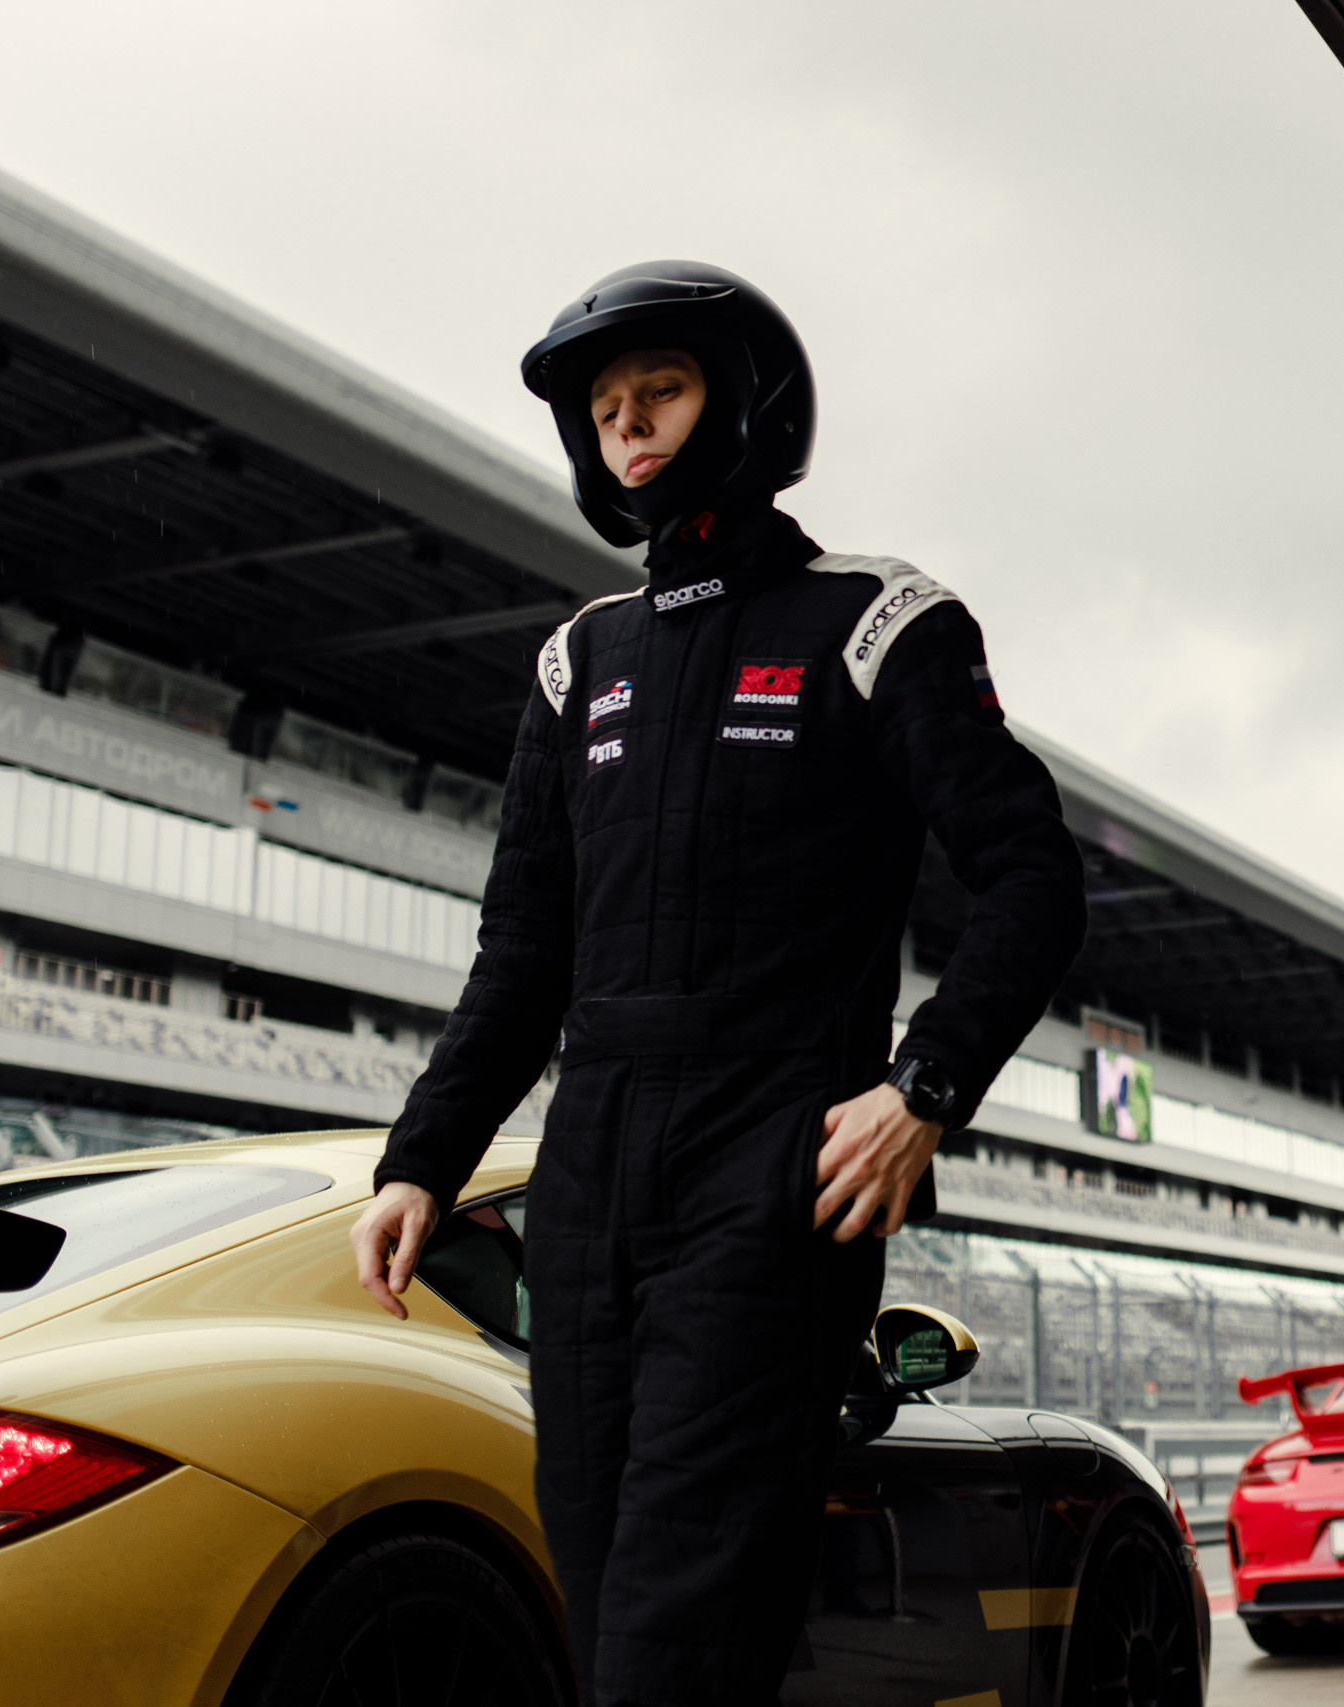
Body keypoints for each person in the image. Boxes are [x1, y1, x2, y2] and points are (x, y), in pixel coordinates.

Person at [350, 261, 1087, 1707]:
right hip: (591, 1166)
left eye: (663, 393)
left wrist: (921, 1090)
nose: (631, 429)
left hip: (776, 1154)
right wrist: (420, 1161)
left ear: (746, 404)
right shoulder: (578, 662)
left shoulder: (879, 621)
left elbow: (1033, 880)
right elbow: (524, 955)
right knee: (607, 1581)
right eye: (608, 410)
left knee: (685, 1615)